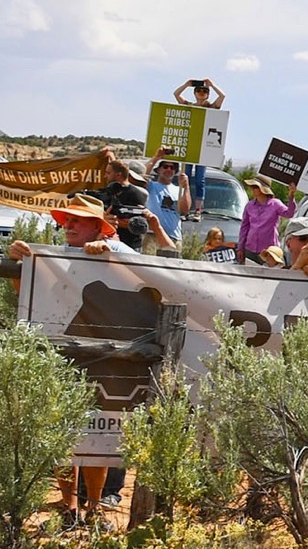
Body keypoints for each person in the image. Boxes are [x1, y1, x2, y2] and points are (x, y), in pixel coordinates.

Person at [7, 195, 131, 529]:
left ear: (97, 226)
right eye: (66, 220)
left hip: (105, 358)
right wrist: (21, 261)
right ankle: (70, 508)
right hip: (61, 355)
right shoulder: (54, 256)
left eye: (77, 220)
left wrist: (111, 254)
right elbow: (27, 294)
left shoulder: (118, 251)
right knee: (60, 435)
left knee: (97, 435)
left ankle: (93, 507)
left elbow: (148, 273)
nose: (69, 225)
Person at [172, 77, 224, 218]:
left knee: (200, 179)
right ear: (195, 93)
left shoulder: (210, 107)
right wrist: (187, 84)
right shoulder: (189, 105)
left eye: (204, 91)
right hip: (190, 146)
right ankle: (185, 208)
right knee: (185, 177)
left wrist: (212, 85)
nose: (201, 93)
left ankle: (198, 210)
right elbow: (176, 94)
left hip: (204, 148)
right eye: (199, 91)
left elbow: (222, 96)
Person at [237, 176, 298, 264]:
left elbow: (289, 214)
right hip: (250, 249)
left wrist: (291, 196)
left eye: (255, 187)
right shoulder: (249, 206)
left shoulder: (275, 204)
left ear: (263, 189)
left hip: (270, 252)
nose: (252, 189)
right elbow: (244, 228)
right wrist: (240, 248)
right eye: (252, 187)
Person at [144, 151, 190, 249]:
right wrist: (156, 157)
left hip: (173, 237)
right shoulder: (151, 186)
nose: (169, 169)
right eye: (165, 166)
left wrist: (186, 187)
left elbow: (185, 210)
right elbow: (142, 174)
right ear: (159, 170)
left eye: (172, 167)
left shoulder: (179, 190)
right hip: (152, 235)